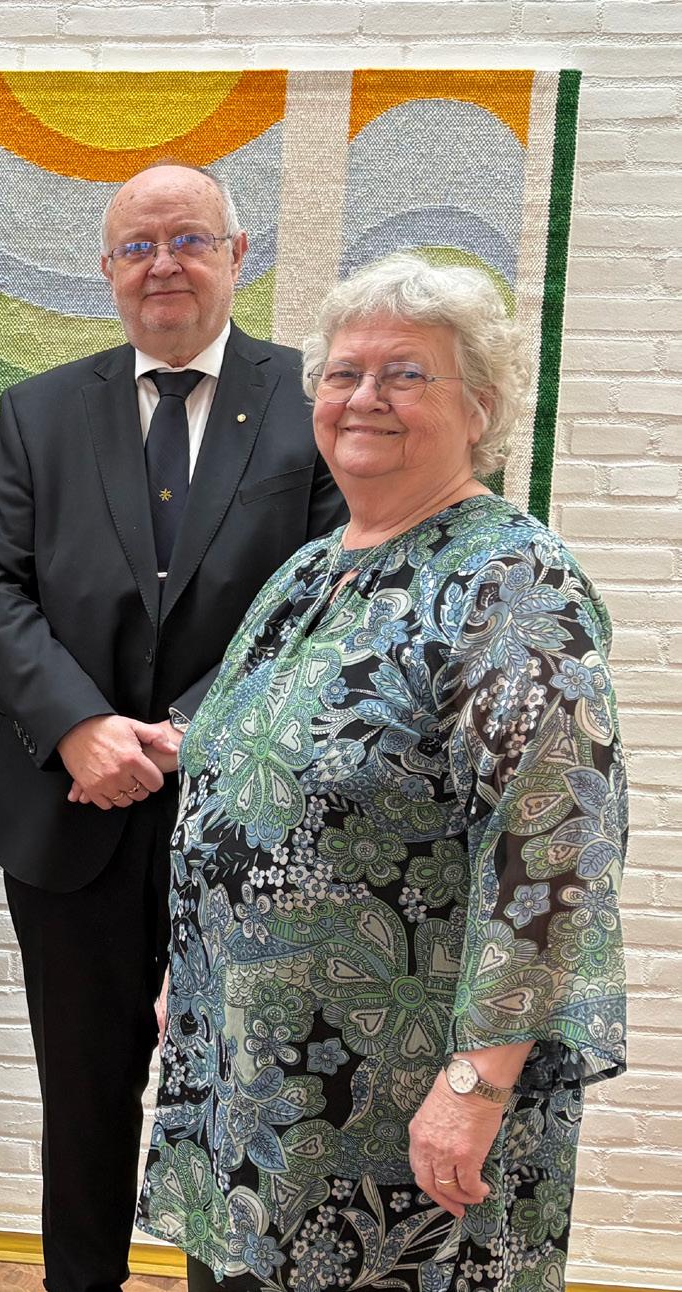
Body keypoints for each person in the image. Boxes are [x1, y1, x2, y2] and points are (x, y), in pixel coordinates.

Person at [137, 253, 627, 1291]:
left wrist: (475, 1084)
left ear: (479, 407)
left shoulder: (512, 581)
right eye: (342, 373)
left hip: (400, 1096)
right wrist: (194, 967)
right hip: (256, 1081)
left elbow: (551, 850)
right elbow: (238, 793)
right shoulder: (314, 568)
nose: (364, 396)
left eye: (406, 373)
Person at [0, 161, 344, 1292]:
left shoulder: (313, 397)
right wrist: (80, 725)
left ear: (238, 255)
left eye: (188, 239)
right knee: (81, 1088)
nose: (161, 264)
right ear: (105, 269)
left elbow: (328, 593)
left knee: (238, 1086)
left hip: (244, 814)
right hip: (66, 808)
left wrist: (186, 731)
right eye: (137, 245)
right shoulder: (36, 410)